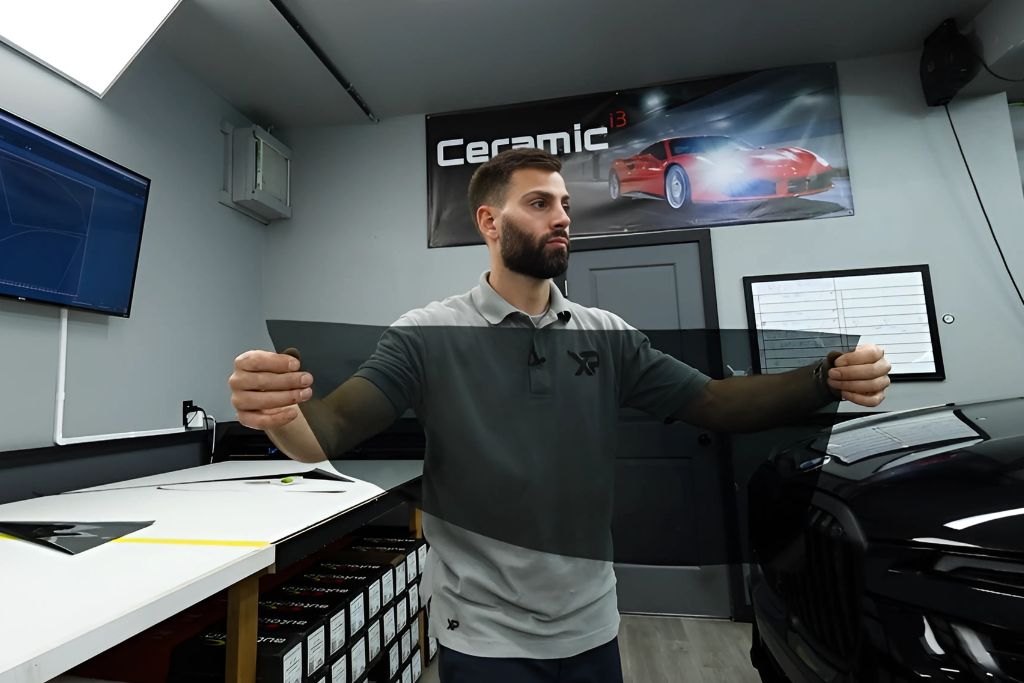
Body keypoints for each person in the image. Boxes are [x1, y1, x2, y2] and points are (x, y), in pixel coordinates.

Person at [228, 148, 891, 683]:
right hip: (484, 636)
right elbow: (332, 430)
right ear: (491, 223)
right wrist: (281, 413)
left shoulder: (607, 335)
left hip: (591, 624)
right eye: (540, 203)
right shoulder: (426, 336)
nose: (563, 217)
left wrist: (820, 377)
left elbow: (713, 401)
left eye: (566, 204)